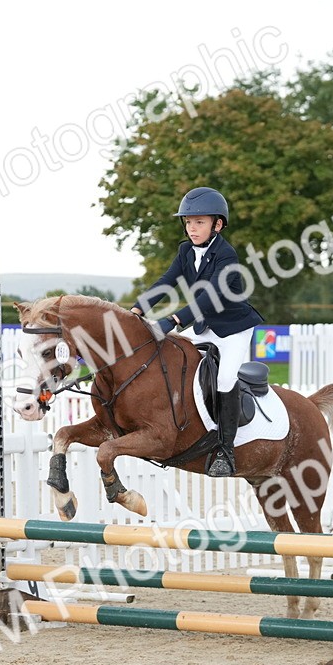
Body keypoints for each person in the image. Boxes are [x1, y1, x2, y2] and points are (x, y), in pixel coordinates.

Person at [131, 186, 264, 477]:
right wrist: (136, 310)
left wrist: (174, 321)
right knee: (171, 358)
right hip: (205, 327)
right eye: (189, 222)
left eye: (199, 222)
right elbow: (166, 282)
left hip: (232, 330)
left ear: (217, 224)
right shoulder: (184, 251)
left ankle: (226, 451)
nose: (192, 228)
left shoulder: (227, 256)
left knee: (226, 379)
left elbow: (209, 297)